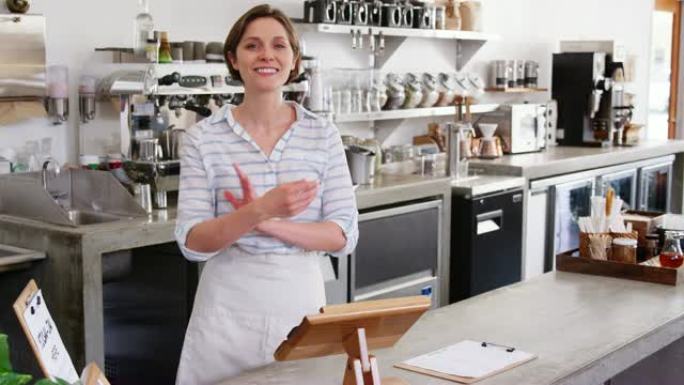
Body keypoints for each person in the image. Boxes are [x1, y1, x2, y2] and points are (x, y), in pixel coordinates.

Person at [173, 4, 358, 385]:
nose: (266, 55)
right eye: (252, 46)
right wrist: (257, 211)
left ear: (293, 61)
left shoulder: (322, 135)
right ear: (233, 59)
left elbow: (343, 234)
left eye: (278, 46)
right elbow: (192, 242)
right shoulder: (203, 138)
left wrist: (271, 223)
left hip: (300, 303)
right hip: (226, 308)